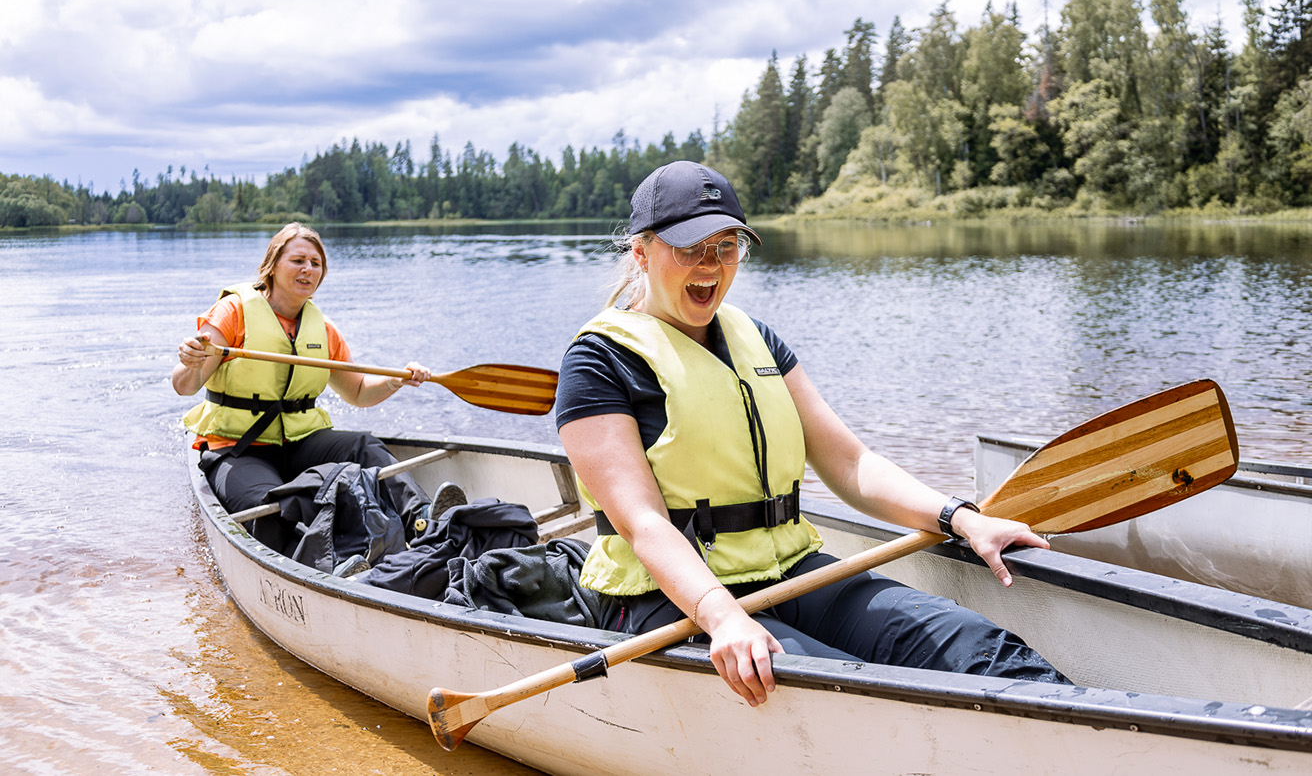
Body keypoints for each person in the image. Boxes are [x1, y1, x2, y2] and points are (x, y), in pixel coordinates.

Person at [556, 161, 1068, 708]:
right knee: (847, 689)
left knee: (972, 643)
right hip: (670, 595)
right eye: (689, 248)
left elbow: (851, 464)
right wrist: (724, 616)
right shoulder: (598, 362)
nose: (710, 266)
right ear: (641, 251)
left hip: (789, 572)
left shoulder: (756, 339)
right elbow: (643, 522)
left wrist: (963, 519)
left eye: (726, 246)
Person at [173, 222, 450, 556]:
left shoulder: (323, 329)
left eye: (316, 263)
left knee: (364, 446)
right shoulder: (233, 313)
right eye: (298, 260)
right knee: (268, 504)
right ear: (272, 266)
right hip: (239, 447)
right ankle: (327, 562)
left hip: (301, 443)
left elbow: (358, 392)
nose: (308, 269)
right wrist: (191, 361)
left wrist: (397, 379)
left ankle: (422, 521)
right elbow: (183, 386)